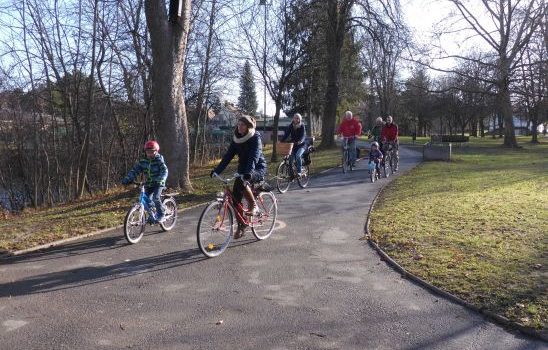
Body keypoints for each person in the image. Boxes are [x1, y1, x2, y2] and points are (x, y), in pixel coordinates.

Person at [211, 115, 267, 239]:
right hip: (243, 170)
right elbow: (227, 156)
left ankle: (253, 205)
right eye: (239, 124)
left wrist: (249, 173)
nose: (239, 127)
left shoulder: (255, 137)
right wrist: (217, 170)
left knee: (243, 183)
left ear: (248, 127)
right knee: (235, 199)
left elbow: (254, 156)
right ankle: (242, 226)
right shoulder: (237, 139)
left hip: (257, 168)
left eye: (242, 124)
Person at [122, 140, 168, 223]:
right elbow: (135, 171)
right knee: (145, 199)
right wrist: (128, 179)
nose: (149, 154)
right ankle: (153, 213)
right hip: (149, 183)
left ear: (156, 151)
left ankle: (161, 214)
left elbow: (164, 170)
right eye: (148, 152)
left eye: (151, 152)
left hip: (159, 183)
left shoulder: (159, 160)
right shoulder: (143, 161)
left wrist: (161, 178)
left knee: (156, 198)